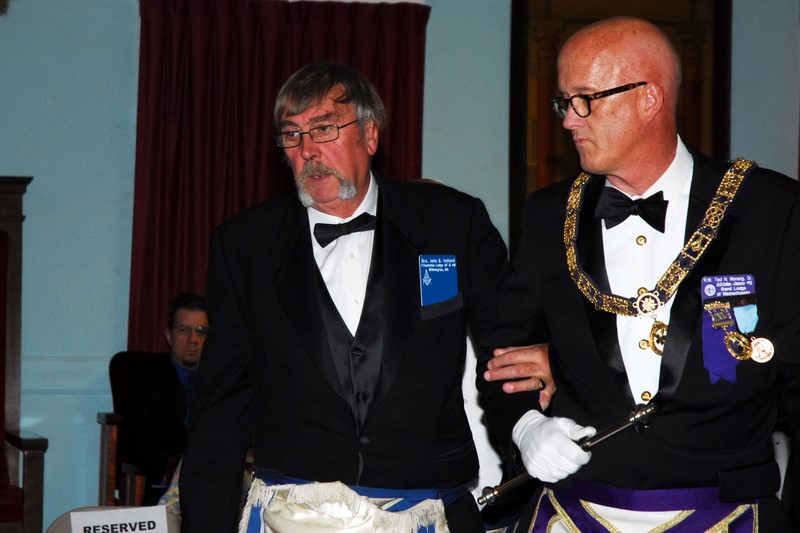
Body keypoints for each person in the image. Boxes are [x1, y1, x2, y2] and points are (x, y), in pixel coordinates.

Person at [179, 62, 551, 533]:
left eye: (324, 129)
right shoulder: (245, 245)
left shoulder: (451, 223)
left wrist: (528, 427)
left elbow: (507, 353)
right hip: (291, 514)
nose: (307, 150)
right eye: (292, 135)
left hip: (430, 507)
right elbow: (220, 408)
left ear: (370, 134)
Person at [482, 16, 800, 531]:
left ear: (648, 99)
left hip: (729, 511)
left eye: (585, 100)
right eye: (564, 102)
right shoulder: (549, 214)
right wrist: (525, 427)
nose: (569, 120)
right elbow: (506, 358)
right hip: (579, 509)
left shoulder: (770, 208)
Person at [123, 292, 208, 505]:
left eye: (201, 331)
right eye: (184, 330)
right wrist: (167, 472)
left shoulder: (223, 381)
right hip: (164, 482)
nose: (193, 340)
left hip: (212, 479)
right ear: (169, 336)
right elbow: (138, 439)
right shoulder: (144, 379)